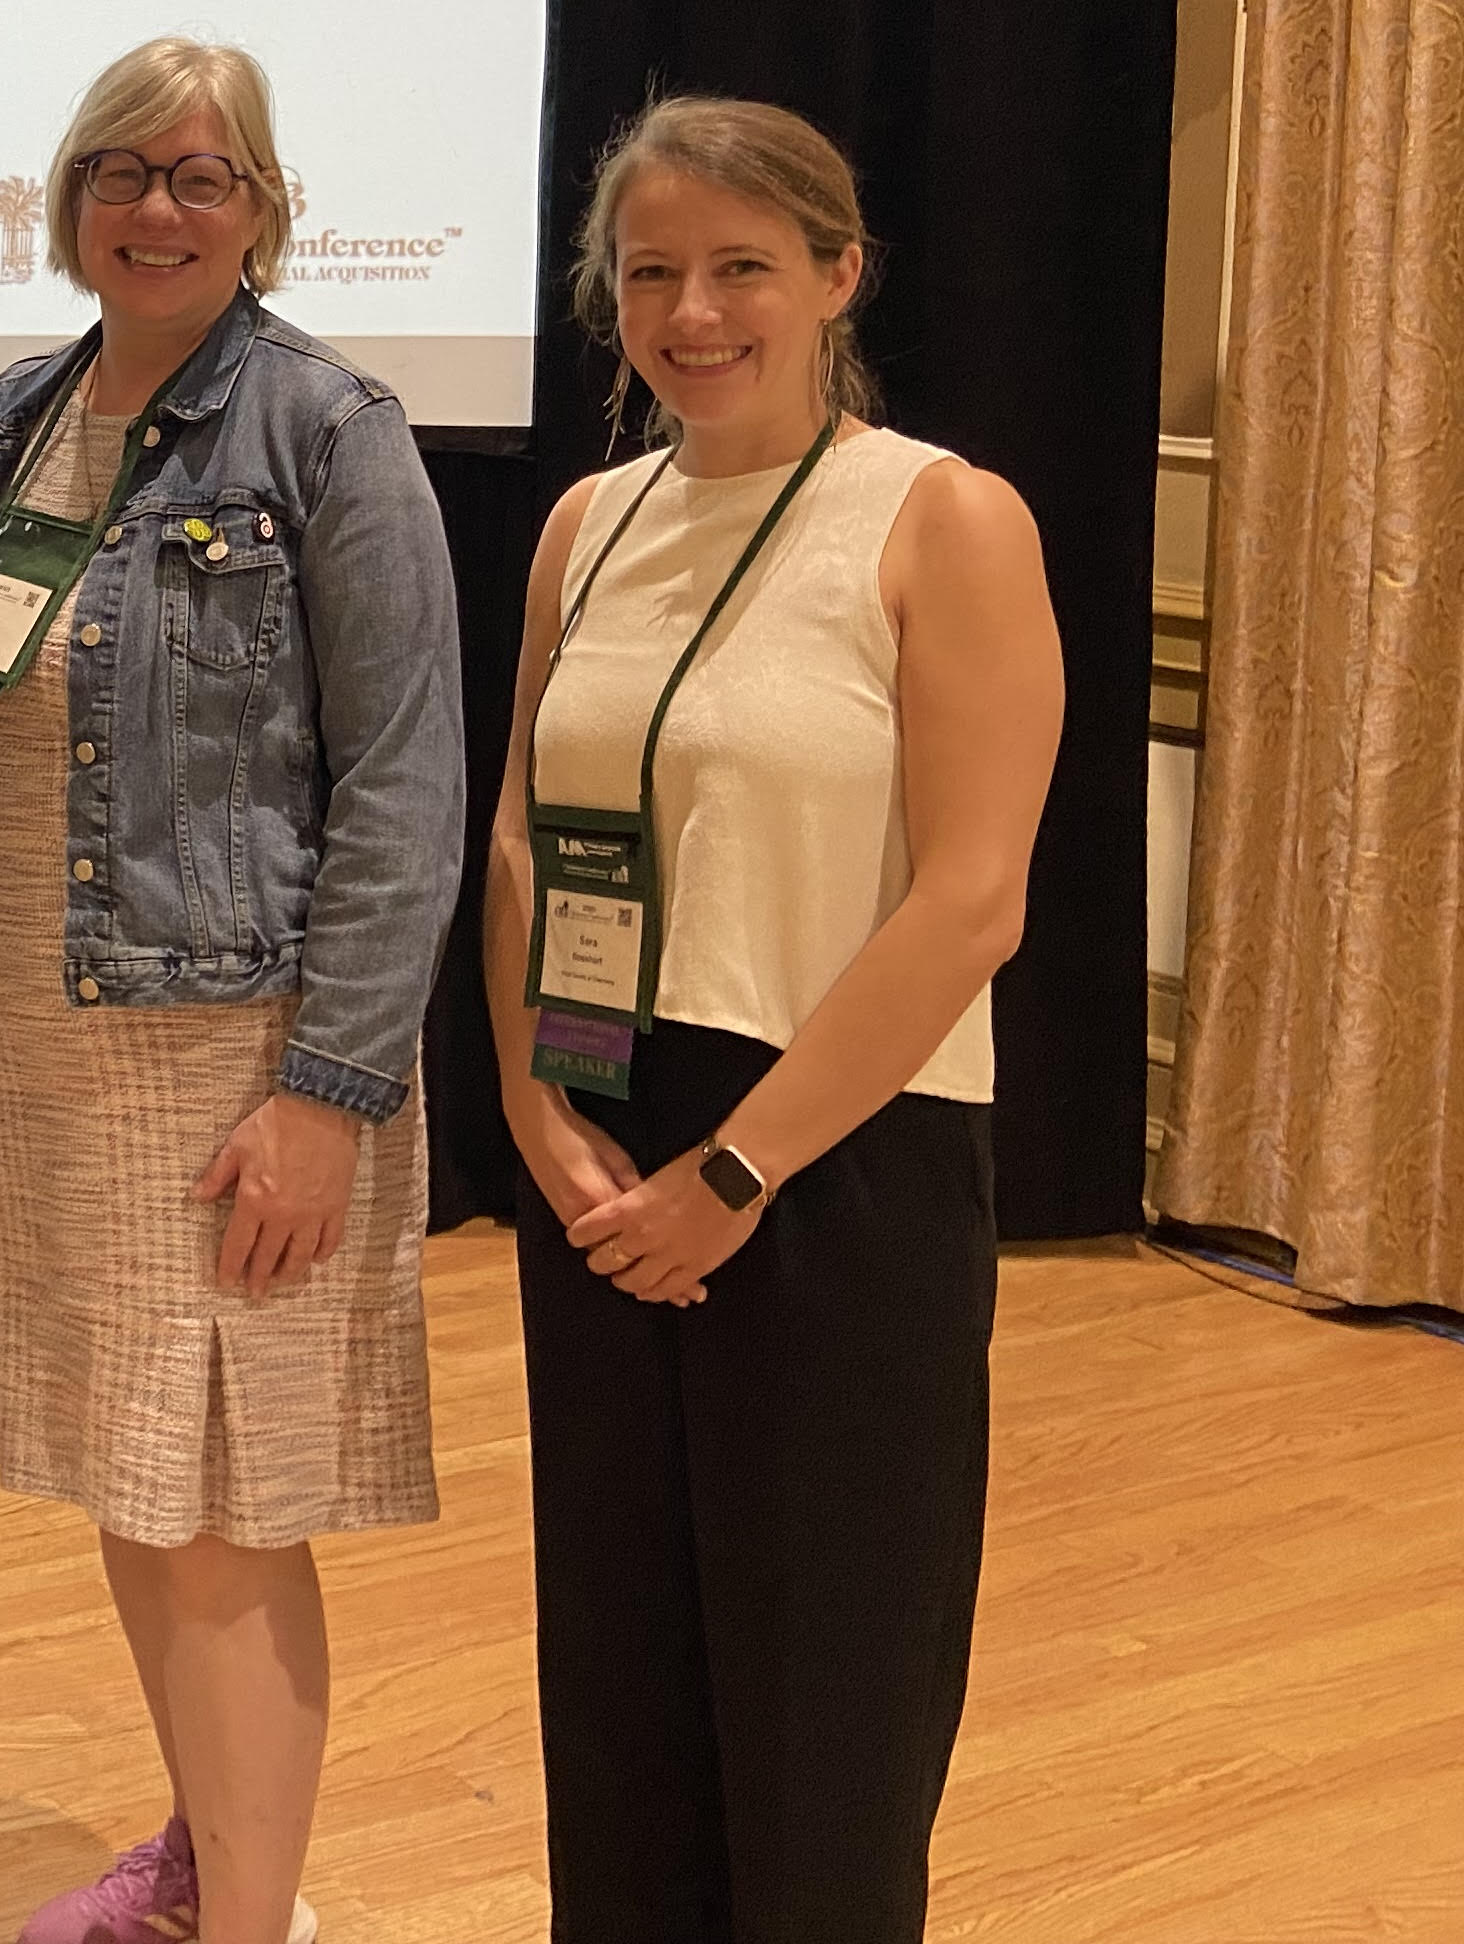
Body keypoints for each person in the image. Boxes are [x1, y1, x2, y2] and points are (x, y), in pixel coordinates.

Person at [0, 39, 463, 1944]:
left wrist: (332, 1088)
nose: (158, 207)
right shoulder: (14, 417)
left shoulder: (329, 433)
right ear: (70, 205)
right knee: (144, 1483)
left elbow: (407, 784)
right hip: (47, 1033)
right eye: (120, 171)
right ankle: (211, 1849)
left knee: (223, 1509)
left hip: (231, 1047)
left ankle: (256, 1916)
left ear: (266, 212)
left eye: (204, 176)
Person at [484, 97, 1056, 1944]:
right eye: (651, 273)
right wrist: (539, 1109)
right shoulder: (588, 521)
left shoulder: (943, 518)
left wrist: (736, 1165)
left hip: (832, 1154)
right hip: (601, 1132)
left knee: (829, 1713)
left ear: (836, 276)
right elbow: (519, 828)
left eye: (741, 267)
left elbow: (974, 896)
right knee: (626, 1686)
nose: (693, 311)